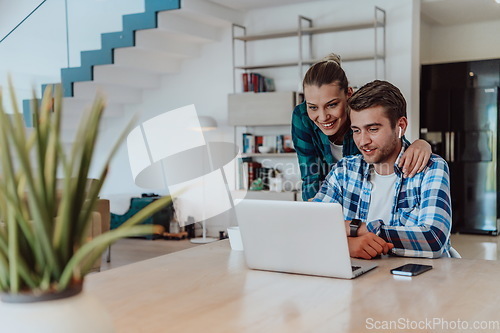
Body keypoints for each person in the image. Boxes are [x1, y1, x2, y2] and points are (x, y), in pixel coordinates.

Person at [313, 80, 452, 259]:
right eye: (356, 130)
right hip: (365, 278)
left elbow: (434, 239)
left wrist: (357, 229)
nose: (363, 141)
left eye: (372, 129)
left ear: (400, 126)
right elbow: (311, 225)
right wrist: (347, 245)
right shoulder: (344, 171)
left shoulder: (430, 168)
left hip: (420, 278)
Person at [292, 54, 432, 201]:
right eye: (313, 107)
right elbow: (310, 174)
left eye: (332, 105)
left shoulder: (362, 114)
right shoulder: (302, 117)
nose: (322, 117)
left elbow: (394, 145)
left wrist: (421, 144)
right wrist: (314, 209)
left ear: (348, 94)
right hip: (331, 197)